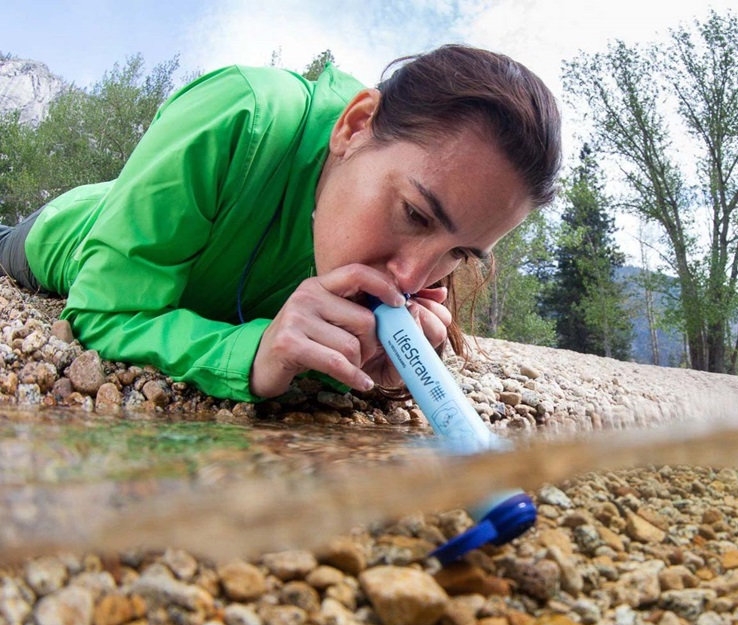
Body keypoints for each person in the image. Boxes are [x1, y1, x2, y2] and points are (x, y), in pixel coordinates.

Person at [0, 45, 561, 403]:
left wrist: (368, 371)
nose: (412, 276)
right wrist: (253, 352)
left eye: (459, 253)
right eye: (414, 213)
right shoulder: (238, 113)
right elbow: (105, 311)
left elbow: (295, 351)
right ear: (356, 125)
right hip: (62, 231)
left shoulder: (406, 272)